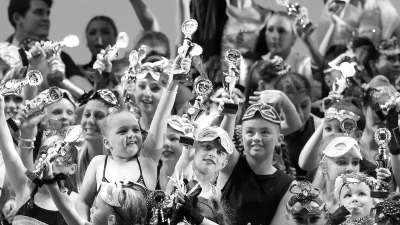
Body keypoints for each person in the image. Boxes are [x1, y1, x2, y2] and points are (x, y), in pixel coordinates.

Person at [75, 73, 178, 221]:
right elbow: (83, 202)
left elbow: (161, 117)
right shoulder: (98, 163)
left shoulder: (147, 161)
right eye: (123, 131)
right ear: (107, 143)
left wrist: (172, 85)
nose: (131, 135)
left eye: (136, 130)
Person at [217, 101, 301, 225]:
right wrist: (230, 115)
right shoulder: (231, 165)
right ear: (241, 137)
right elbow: (221, 143)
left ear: (279, 139)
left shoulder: (289, 186)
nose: (256, 137)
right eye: (250, 132)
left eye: (265, 132)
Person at [6, 0, 83, 79]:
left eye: (47, 14)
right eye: (39, 12)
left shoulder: (62, 57)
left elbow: (82, 87)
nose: (46, 18)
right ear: (17, 18)